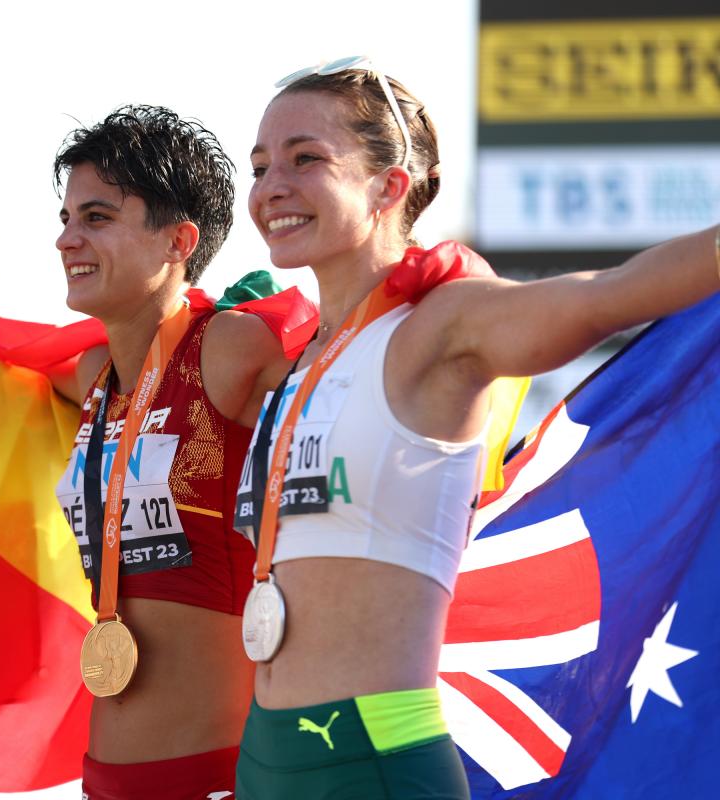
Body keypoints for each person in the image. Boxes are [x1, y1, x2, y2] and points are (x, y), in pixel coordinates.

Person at [233, 57, 720, 799]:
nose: (272, 187)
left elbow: (607, 296)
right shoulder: (298, 361)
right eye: (261, 165)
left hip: (376, 757)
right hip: (265, 754)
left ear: (388, 185)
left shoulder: (443, 327)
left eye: (307, 160)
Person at [52, 105, 295, 800]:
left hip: (220, 778)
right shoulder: (92, 379)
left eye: (96, 218)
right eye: (66, 219)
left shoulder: (229, 349)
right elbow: (1, 359)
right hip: (103, 781)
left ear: (178, 241)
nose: (66, 239)